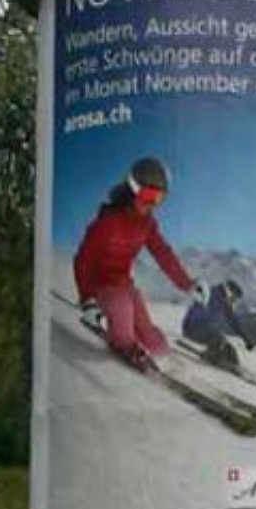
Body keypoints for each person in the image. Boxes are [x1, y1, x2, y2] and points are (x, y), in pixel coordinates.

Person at [74, 157, 206, 369]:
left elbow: (164, 255)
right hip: (103, 286)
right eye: (147, 195)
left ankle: (159, 356)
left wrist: (188, 284)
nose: (151, 203)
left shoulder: (147, 224)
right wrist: (88, 299)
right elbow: (83, 260)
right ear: (133, 189)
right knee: (123, 326)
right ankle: (126, 345)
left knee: (154, 340)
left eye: (158, 198)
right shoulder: (109, 221)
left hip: (125, 286)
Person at [182, 279, 251, 370]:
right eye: (234, 298)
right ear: (229, 292)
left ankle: (229, 361)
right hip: (192, 328)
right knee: (218, 338)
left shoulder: (224, 301)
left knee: (225, 343)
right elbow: (200, 313)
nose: (234, 301)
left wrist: (245, 338)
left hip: (201, 328)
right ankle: (215, 356)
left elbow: (233, 321)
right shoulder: (213, 295)